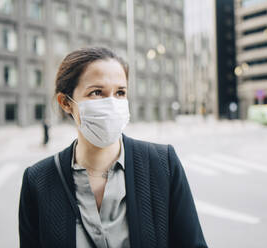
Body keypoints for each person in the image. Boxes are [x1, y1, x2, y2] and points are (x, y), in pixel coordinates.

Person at [19, 47, 207, 248]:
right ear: (66, 102)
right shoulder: (38, 180)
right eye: (97, 92)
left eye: (120, 92)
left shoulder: (163, 164)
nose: (111, 103)